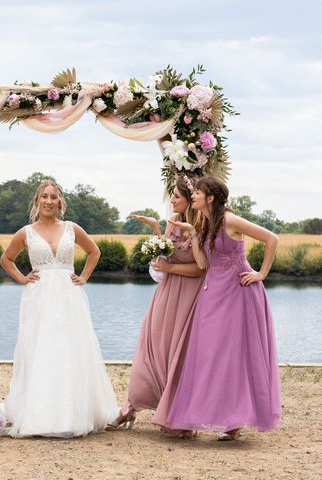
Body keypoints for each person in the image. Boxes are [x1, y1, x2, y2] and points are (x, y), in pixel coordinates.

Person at [0, 180, 118, 437]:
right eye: (44, 197)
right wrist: (21, 278)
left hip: (68, 296)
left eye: (53, 197)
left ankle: (72, 412)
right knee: (41, 348)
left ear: (60, 201)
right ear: (37, 201)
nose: (49, 201)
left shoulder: (72, 228)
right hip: (39, 296)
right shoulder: (26, 232)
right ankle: (39, 412)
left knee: (70, 348)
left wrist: (83, 277)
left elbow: (94, 252)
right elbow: (6, 259)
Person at [167, 176, 281, 440]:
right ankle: (221, 416)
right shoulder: (205, 223)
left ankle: (233, 424)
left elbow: (271, 238)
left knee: (236, 354)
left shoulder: (230, 220)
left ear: (211, 197)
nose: (192, 195)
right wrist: (194, 235)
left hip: (239, 291)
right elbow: (203, 264)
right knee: (210, 352)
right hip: (214, 291)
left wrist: (261, 273)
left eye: (198, 192)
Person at [111, 177, 205, 434]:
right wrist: (155, 231)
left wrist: (171, 267)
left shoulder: (203, 227)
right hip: (166, 294)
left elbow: (202, 268)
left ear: (189, 199)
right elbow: (164, 255)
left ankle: (178, 415)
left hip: (191, 296)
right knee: (153, 349)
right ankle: (130, 407)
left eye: (176, 196)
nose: (172, 200)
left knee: (180, 354)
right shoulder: (172, 224)